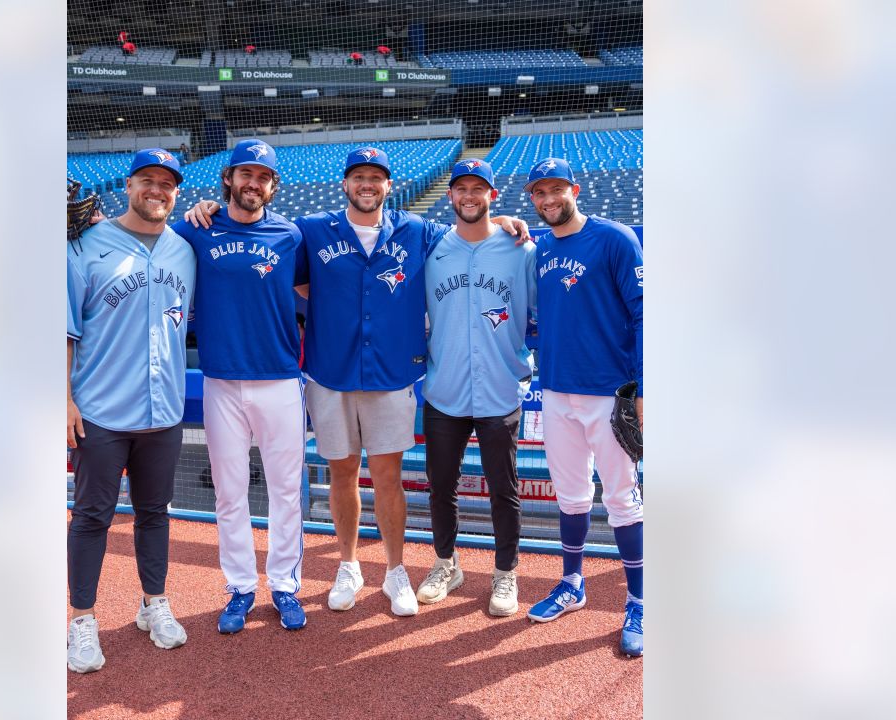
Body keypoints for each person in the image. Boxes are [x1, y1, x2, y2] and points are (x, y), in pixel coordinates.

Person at [184, 147, 529, 618]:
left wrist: (504, 218)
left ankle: (394, 570)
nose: (367, 184)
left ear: (389, 186)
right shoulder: (309, 231)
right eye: (359, 177)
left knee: (388, 477)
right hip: (332, 372)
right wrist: (209, 207)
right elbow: (284, 268)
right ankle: (347, 566)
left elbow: (471, 226)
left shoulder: (418, 231)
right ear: (345, 184)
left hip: (390, 374)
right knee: (342, 474)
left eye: (377, 178)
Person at [169, 139, 309, 634]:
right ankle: (240, 587)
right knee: (229, 493)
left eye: (263, 177)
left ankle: (286, 585)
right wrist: (194, 209)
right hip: (221, 381)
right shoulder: (196, 227)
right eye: (244, 174)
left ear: (273, 186)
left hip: (279, 381)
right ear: (227, 179)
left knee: (285, 490)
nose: (253, 183)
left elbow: (319, 289)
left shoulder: (291, 235)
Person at [65, 148, 194, 672]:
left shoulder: (185, 249)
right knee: (92, 516)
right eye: (147, 180)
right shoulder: (83, 245)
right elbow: (65, 329)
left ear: (177, 192)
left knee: (154, 513)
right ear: (129, 185)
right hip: (99, 409)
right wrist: (63, 398)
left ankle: (153, 604)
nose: (156, 190)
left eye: (167, 183)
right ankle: (81, 620)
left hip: (162, 411)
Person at [520, 157, 644, 657]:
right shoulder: (540, 246)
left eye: (556, 189)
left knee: (620, 497)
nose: (549, 199)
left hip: (608, 393)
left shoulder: (614, 239)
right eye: (538, 193)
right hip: (555, 390)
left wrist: (645, 389)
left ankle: (638, 601)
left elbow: (644, 313)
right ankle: (572, 582)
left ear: (574, 188)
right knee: (570, 494)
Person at [415, 159, 537, 618]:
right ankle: (447, 564)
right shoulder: (431, 249)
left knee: (503, 488)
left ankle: (506, 572)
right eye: (461, 188)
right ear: (449, 196)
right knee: (440, 486)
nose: (469, 196)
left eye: (478, 189)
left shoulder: (520, 248)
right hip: (445, 387)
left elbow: (545, 308)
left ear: (492, 196)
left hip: (500, 386)